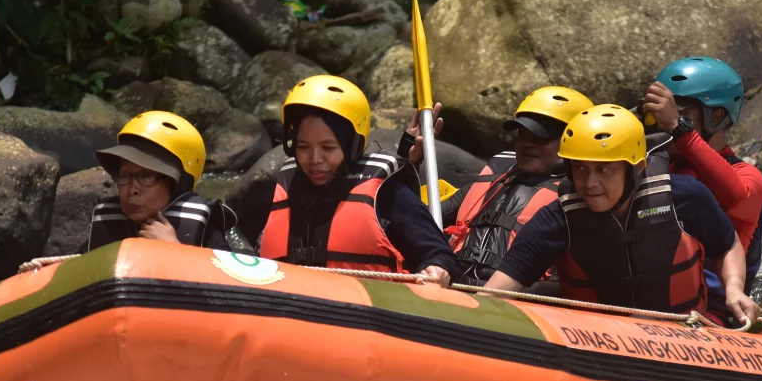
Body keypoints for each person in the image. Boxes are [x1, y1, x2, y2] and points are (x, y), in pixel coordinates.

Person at [483, 104, 760, 327]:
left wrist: (735, 288)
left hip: (684, 333)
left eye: (604, 170)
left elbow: (727, 244)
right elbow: (499, 288)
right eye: (580, 169)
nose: (589, 183)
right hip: (600, 341)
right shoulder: (558, 218)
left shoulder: (684, 196)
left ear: (636, 168)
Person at [258, 75, 459, 285]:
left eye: (328, 148)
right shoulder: (288, 187)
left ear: (352, 145)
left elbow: (442, 256)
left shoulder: (388, 193)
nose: (315, 159)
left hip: (368, 311)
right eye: (303, 147)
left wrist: (438, 269)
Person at [400, 87, 594, 285]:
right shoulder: (492, 181)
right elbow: (411, 221)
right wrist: (408, 160)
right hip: (453, 289)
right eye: (523, 134)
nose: (527, 144)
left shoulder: (580, 199)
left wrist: (479, 291)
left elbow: (560, 287)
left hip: (513, 304)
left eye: (542, 137)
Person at [643, 57, 762, 301]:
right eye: (659, 112)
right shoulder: (654, 165)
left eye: (678, 110)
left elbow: (738, 197)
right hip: (651, 302)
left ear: (716, 117)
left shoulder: (748, 175)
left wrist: (679, 130)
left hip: (712, 312)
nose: (662, 123)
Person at [88, 111, 234, 251]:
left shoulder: (206, 232)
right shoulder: (105, 223)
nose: (132, 190)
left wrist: (174, 249)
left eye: (146, 176)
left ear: (176, 185)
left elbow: (230, 276)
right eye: (125, 176)